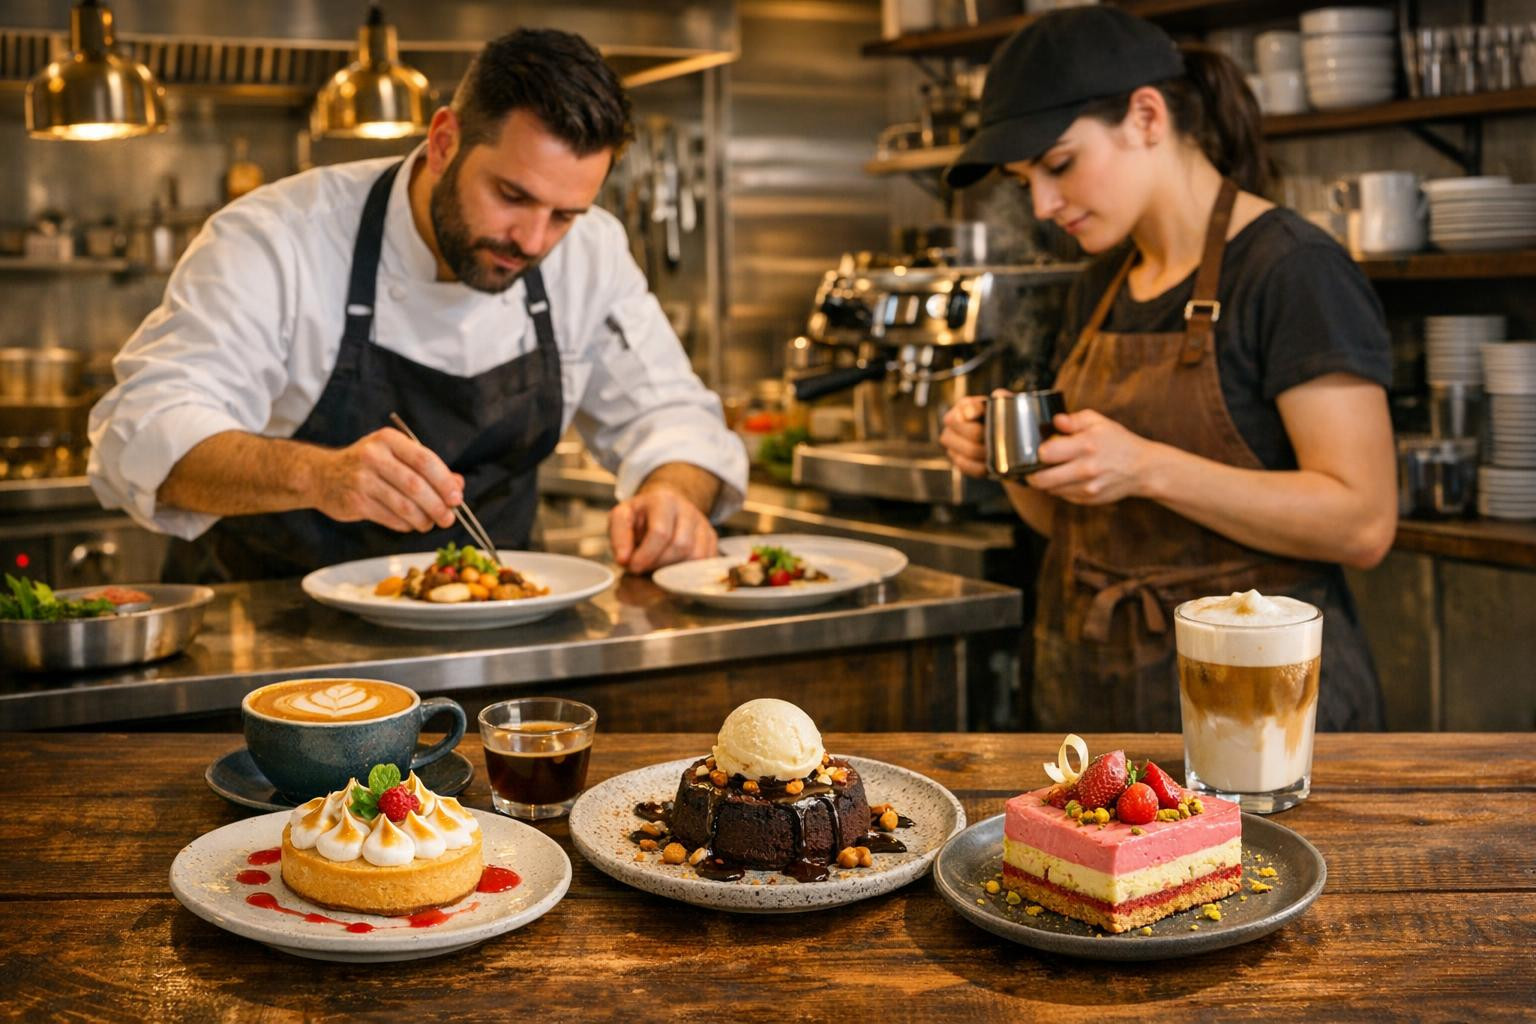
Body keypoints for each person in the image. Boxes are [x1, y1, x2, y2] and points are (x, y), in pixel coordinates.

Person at [89, 28, 746, 582]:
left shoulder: (590, 251)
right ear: (443, 142)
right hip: (271, 648)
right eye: (512, 196)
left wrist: (673, 493)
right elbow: (144, 429)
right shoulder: (278, 236)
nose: (533, 240)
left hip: (498, 641)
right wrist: (316, 474)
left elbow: (673, 416)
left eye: (565, 214)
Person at [938, 7, 1396, 732]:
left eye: (1058, 165)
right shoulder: (1101, 286)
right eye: (1026, 179)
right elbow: (1072, 525)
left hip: (1258, 712)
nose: (1043, 203)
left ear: (1146, 117)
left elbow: (1363, 521)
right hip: (1098, 700)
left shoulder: (1292, 271)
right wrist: (1010, 462)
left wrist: (1147, 467)